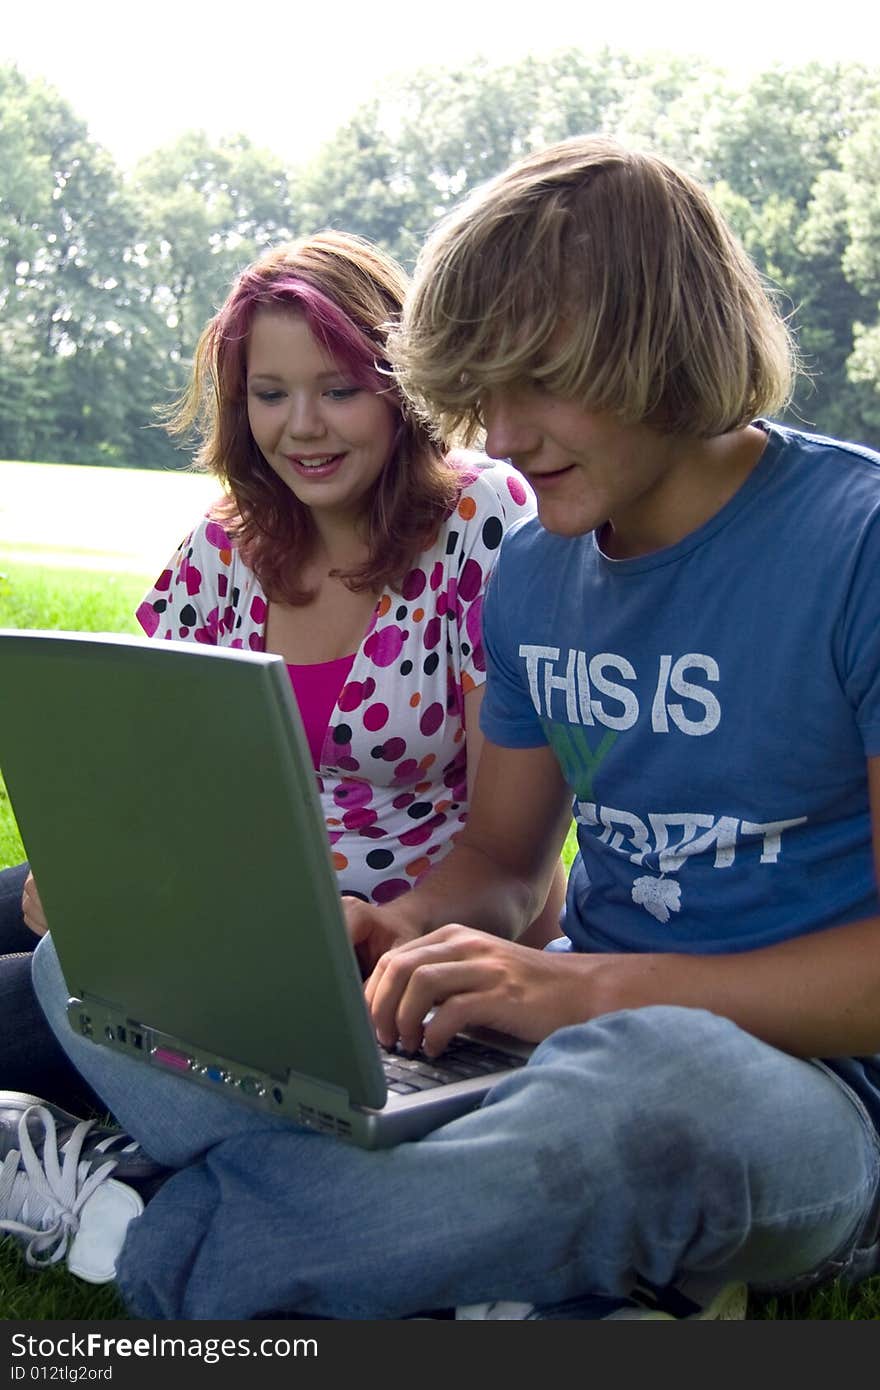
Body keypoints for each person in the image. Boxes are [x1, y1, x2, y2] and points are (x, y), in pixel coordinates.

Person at [5, 134, 880, 1321]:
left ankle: (159, 1230)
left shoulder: (855, 545)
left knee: (660, 1088)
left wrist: (581, 996)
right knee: (90, 964)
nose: (502, 436)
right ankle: (511, 1263)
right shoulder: (534, 572)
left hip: (780, 1082)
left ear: (663, 342)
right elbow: (503, 865)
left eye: (537, 383)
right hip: (541, 1049)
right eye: (479, 392)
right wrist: (390, 932)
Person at [0, 230, 562, 1107]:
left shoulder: (481, 517)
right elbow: (147, 767)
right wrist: (94, 876)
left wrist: (393, 932)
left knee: (16, 1007)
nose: (302, 427)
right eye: (270, 394)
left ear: (401, 385)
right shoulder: (225, 545)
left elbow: (511, 853)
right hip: (220, 912)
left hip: (378, 945)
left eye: (339, 390)